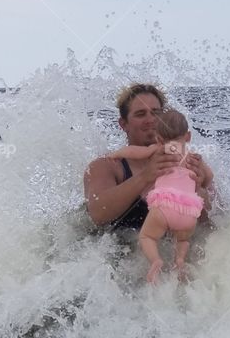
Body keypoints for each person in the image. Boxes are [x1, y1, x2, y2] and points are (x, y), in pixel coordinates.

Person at [84, 82, 213, 232]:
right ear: (123, 124)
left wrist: (197, 190)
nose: (151, 120)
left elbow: (215, 221)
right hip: (120, 250)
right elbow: (98, 214)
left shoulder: (189, 162)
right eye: (140, 114)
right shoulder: (106, 165)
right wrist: (145, 177)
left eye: (156, 113)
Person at [108, 107, 213, 283]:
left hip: (164, 206)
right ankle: (179, 261)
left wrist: (117, 153)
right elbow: (209, 177)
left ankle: (156, 261)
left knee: (147, 236)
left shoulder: (160, 149)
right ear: (188, 136)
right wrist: (201, 180)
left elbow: (134, 152)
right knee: (183, 240)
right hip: (189, 211)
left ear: (158, 138)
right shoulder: (194, 157)